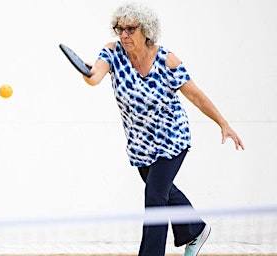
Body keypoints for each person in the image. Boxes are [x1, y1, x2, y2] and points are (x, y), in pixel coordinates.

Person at [83, 2, 244, 256]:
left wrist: (223, 124)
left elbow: (196, 96)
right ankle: (196, 230)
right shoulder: (112, 52)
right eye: (119, 28)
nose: (123, 34)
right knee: (165, 192)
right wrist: (86, 72)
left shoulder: (167, 60)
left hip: (172, 140)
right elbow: (95, 76)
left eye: (130, 29)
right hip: (140, 146)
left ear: (146, 30)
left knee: (155, 197)